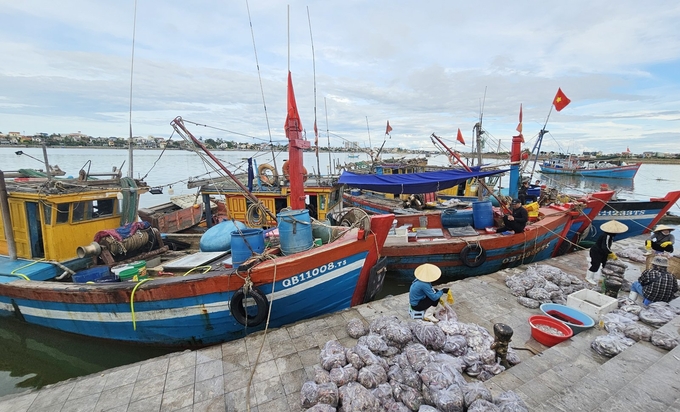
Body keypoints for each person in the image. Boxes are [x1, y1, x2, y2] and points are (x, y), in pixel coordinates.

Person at [586, 220, 628, 285]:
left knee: (605, 264)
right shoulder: (607, 236)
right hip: (596, 252)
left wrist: (608, 254)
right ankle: (588, 278)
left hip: (602, 252)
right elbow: (605, 247)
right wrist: (611, 253)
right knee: (595, 264)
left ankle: (602, 278)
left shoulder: (610, 236)